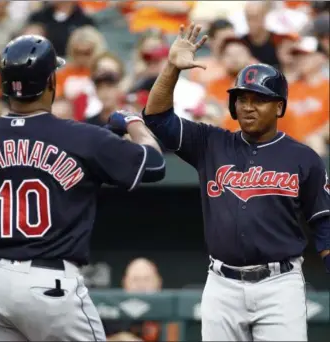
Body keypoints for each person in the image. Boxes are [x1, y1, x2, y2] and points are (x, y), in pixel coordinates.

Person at [0, 35, 165, 341]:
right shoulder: (81, 138)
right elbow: (153, 165)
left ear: (5, 85)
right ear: (50, 82)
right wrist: (133, 123)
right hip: (48, 281)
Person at [132, 23, 329, 341]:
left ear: (279, 106)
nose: (248, 106)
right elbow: (156, 117)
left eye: (259, 99)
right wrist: (171, 68)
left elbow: (324, 221)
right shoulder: (210, 142)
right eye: (241, 98)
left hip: (279, 285)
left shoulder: (303, 158)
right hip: (222, 283)